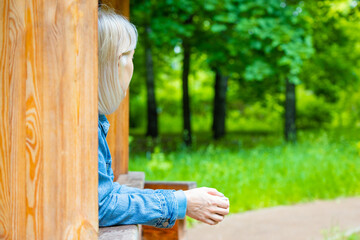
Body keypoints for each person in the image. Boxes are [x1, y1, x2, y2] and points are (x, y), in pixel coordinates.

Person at [97, 6, 230, 228]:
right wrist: (182, 202)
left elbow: (106, 191)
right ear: (114, 62)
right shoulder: (84, 127)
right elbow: (103, 205)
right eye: (129, 56)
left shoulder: (93, 121)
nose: (132, 66)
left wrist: (181, 201)